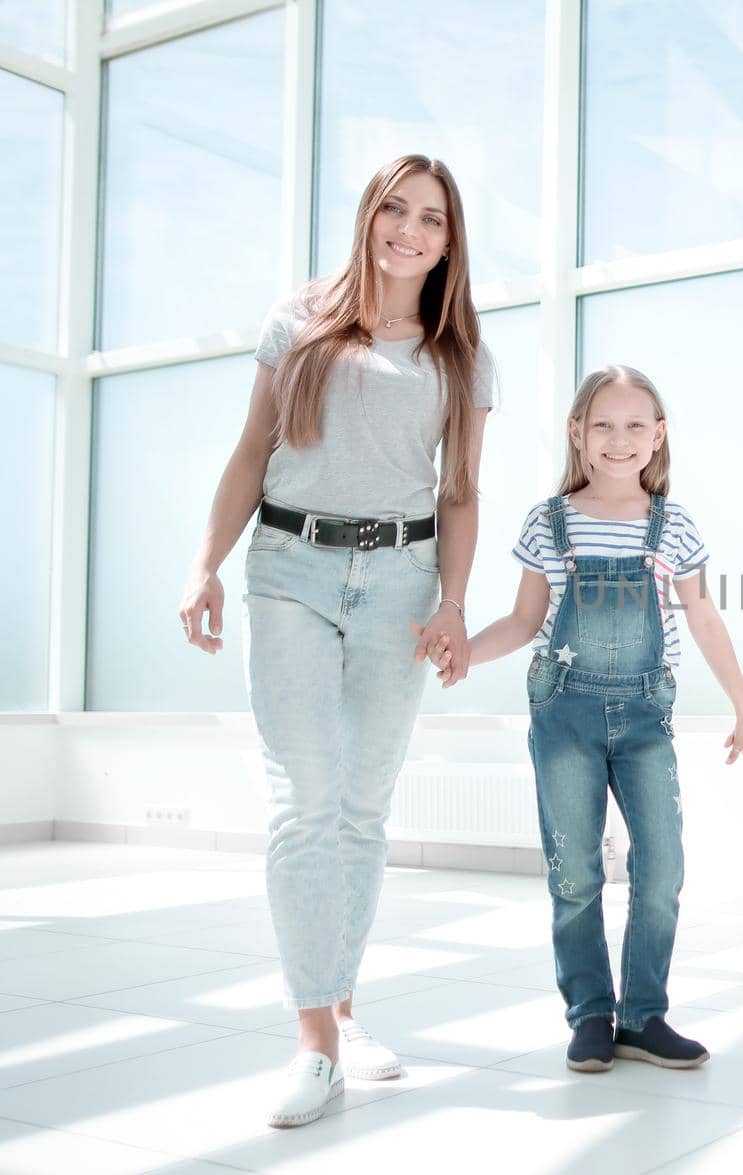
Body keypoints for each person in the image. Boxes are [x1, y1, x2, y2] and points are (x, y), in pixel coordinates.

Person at [178, 155, 497, 1125]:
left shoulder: (460, 353)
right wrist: (204, 565)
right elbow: (250, 451)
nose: (409, 228)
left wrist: (452, 602)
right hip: (290, 569)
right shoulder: (302, 318)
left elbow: (460, 489)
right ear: (368, 217)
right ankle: (314, 1040)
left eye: (431, 217)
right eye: (394, 208)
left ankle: (344, 1004)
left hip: (401, 580)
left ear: (450, 239)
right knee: (306, 797)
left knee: (362, 805)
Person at [426, 364, 743, 1073]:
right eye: (604, 425)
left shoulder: (672, 524)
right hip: (566, 714)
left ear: (658, 436)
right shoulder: (548, 520)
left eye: (634, 425)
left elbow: (704, 618)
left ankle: (644, 1014)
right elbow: (527, 620)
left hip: (647, 716)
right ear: (578, 434)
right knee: (574, 871)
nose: (619, 439)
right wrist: (468, 648)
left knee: (663, 866)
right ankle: (591, 1013)